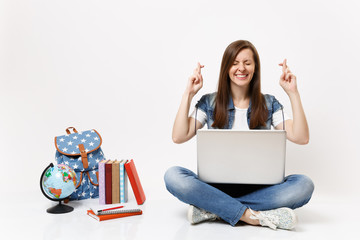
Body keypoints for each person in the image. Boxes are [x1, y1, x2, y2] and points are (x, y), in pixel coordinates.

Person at [164, 40, 314, 230]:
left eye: (247, 63)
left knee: (303, 185)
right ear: (226, 68)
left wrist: (293, 93)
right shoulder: (210, 102)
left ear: (255, 68)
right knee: (173, 176)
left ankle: (213, 209)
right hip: (216, 186)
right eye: (234, 63)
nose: (241, 68)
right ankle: (250, 216)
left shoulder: (269, 103)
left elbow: (301, 137)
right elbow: (179, 136)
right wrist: (188, 93)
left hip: (260, 189)